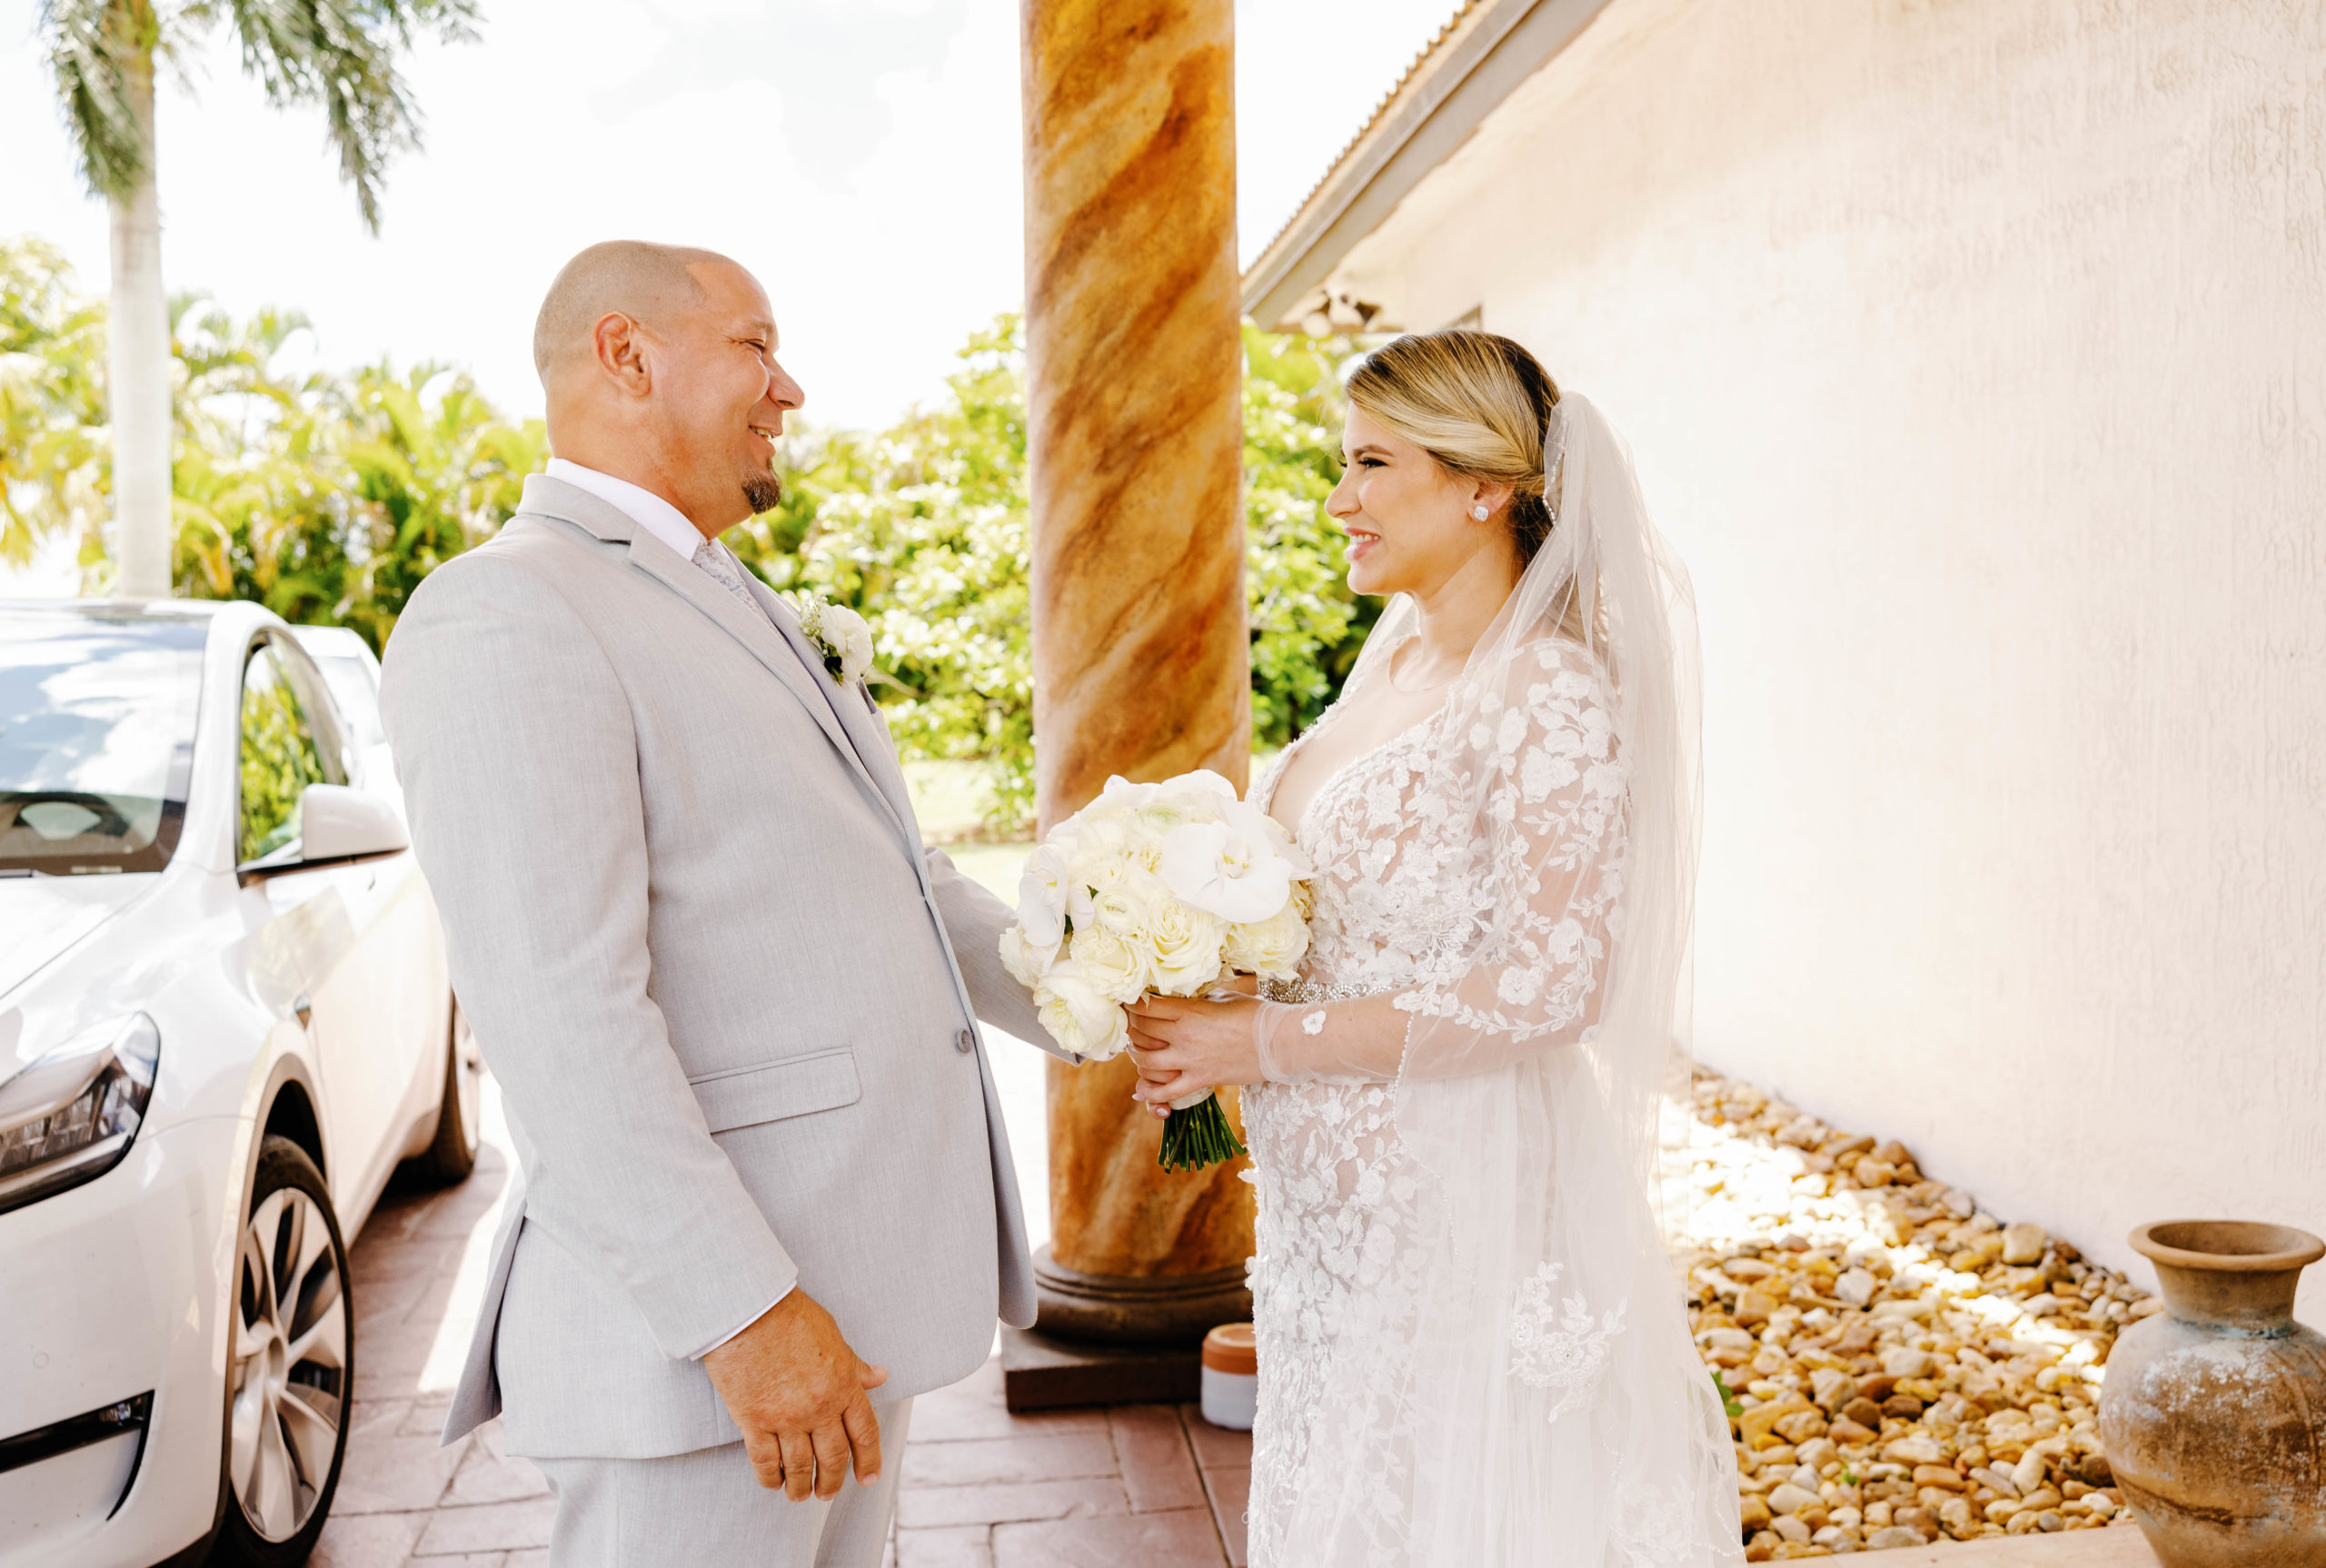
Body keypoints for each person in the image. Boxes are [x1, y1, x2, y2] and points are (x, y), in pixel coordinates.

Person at [378, 240, 1065, 1567]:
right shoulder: (506, 614)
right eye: (756, 344)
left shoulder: (728, 591)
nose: (790, 388)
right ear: (628, 355)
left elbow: (896, 882)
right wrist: (744, 1317)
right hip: (711, 1356)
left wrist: (1104, 996)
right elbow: (562, 1018)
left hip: (848, 1296)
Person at [1125, 332, 1744, 1565]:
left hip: (1465, 1200)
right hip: (1328, 1217)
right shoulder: (1395, 657)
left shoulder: (1548, 692)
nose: (1339, 499)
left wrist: (1257, 1040)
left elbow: (1557, 982)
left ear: (1483, 486)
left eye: (1370, 463)